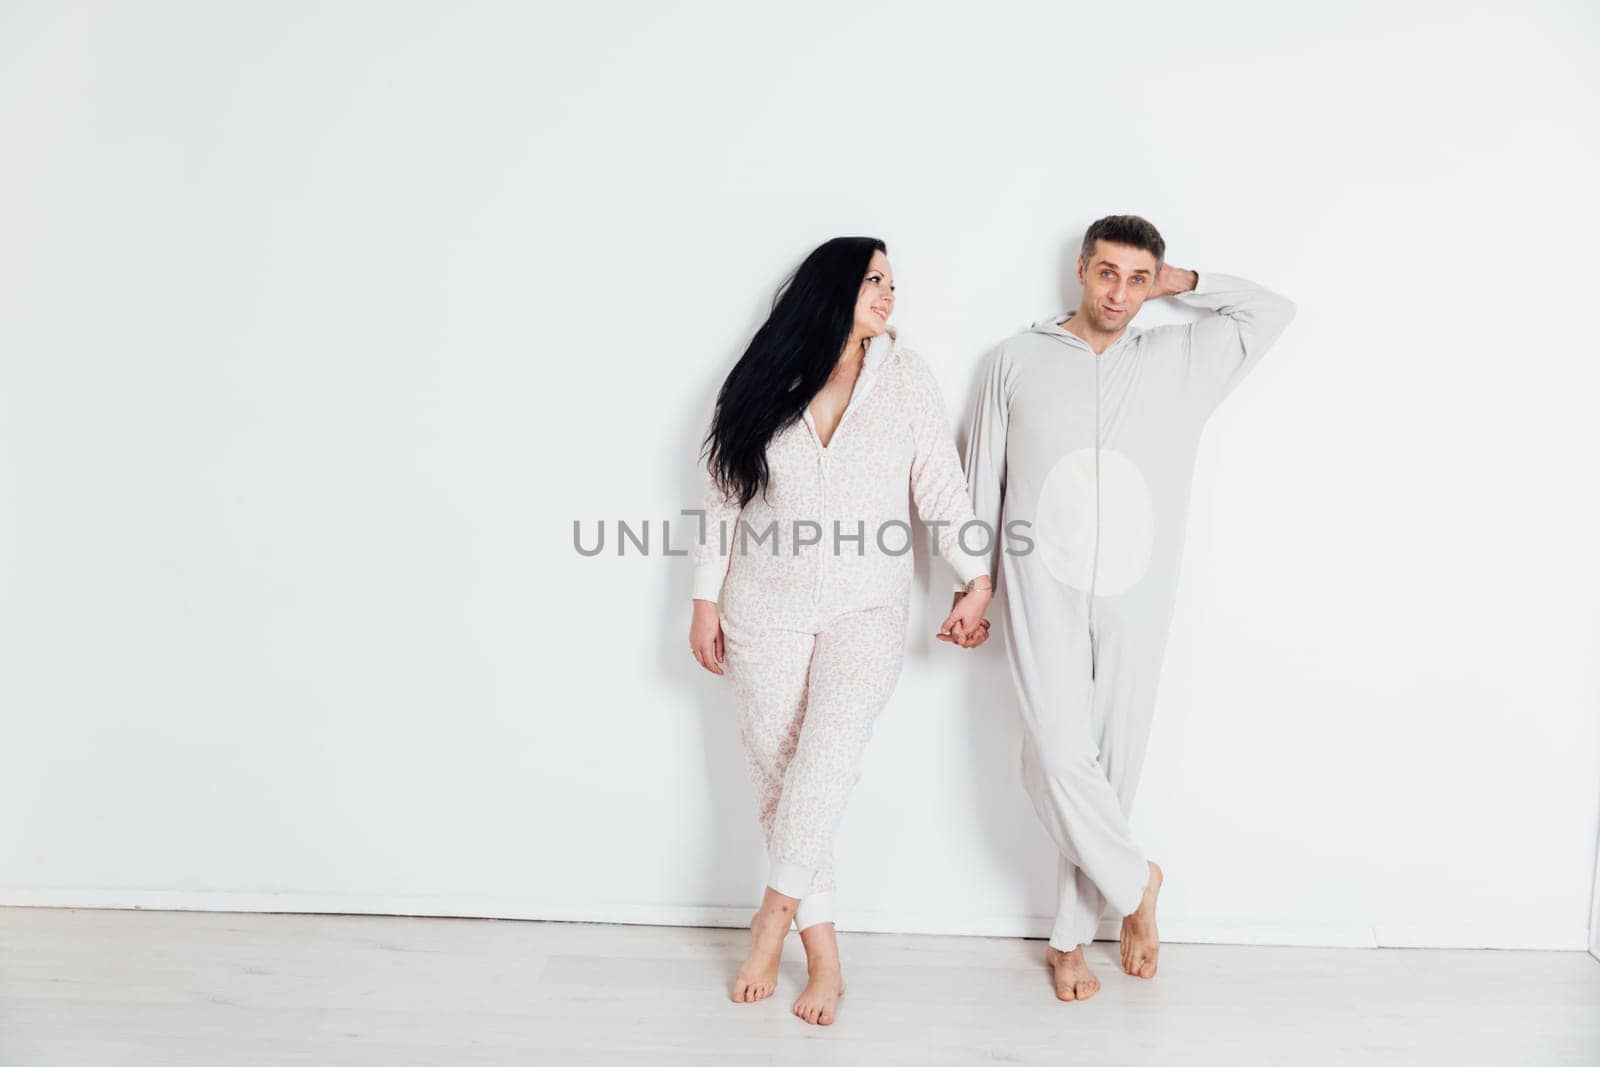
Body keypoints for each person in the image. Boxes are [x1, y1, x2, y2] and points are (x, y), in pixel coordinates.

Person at [954, 214, 1296, 1001]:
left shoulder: (1181, 356)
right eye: (1108, 272)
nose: (1120, 292)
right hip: (1041, 578)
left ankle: (1071, 938)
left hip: (1138, 584)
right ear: (1081, 269)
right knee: (1051, 751)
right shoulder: (1014, 359)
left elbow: (1272, 311)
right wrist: (973, 584)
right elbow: (981, 480)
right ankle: (1138, 882)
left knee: (1112, 764)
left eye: (1138, 278)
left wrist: (1185, 284)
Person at [689, 236, 993, 1025]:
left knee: (829, 756)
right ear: (833, 289)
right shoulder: (769, 375)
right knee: (780, 774)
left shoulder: (905, 379)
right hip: (764, 606)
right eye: (874, 279)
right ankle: (825, 959)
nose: (891, 294)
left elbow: (941, 485)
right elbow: (724, 493)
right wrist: (704, 598)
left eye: (894, 282)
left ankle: (771, 921)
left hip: (867, 604)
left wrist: (976, 575)